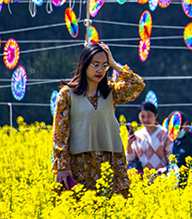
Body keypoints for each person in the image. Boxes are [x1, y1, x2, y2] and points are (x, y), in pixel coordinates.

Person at [52, 42, 144, 196]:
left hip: (111, 160)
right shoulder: (67, 94)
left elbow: (137, 84)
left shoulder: (111, 92)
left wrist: (114, 64)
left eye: (104, 65)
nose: (100, 70)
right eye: (95, 65)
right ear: (84, 64)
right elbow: (60, 134)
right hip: (81, 163)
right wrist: (62, 166)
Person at [125, 101, 173, 175]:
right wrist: (129, 144)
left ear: (156, 116)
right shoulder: (137, 135)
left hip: (162, 177)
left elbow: (171, 158)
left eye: (149, 116)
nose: (146, 120)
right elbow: (131, 159)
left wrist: (166, 169)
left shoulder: (164, 134)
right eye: (142, 116)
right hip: (143, 179)